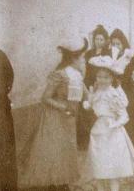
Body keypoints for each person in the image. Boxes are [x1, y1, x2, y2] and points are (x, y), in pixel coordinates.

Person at [18, 38, 88, 191]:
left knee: (67, 149)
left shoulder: (77, 75)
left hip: (69, 118)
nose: (83, 61)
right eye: (82, 58)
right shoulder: (60, 74)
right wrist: (63, 107)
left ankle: (62, 182)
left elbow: (85, 96)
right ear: (73, 58)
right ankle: (53, 183)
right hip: (55, 117)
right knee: (55, 148)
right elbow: (45, 97)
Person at [82, 49, 134, 191]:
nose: (102, 80)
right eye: (99, 77)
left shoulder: (113, 94)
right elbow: (91, 106)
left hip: (112, 133)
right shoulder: (97, 92)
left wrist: (114, 123)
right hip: (98, 131)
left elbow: (124, 116)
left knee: (113, 170)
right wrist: (88, 104)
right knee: (100, 168)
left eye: (106, 77)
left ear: (112, 79)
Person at [110, 28, 134, 153]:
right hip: (114, 92)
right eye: (113, 44)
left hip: (128, 91)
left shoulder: (130, 55)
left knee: (132, 121)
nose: (116, 46)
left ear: (123, 43)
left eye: (118, 44)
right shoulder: (110, 57)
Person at [77, 25, 112, 150]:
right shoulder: (89, 53)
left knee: (97, 111)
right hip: (88, 82)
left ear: (105, 40)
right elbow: (85, 68)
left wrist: (99, 83)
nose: (99, 42)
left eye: (101, 39)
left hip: (99, 83)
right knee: (85, 110)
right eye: (97, 39)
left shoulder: (107, 54)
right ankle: (85, 139)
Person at [0, 47, 18, 191]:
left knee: (4, 150)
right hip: (1, 106)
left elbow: (8, 78)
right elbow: (10, 78)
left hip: (0, 109)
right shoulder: (0, 54)